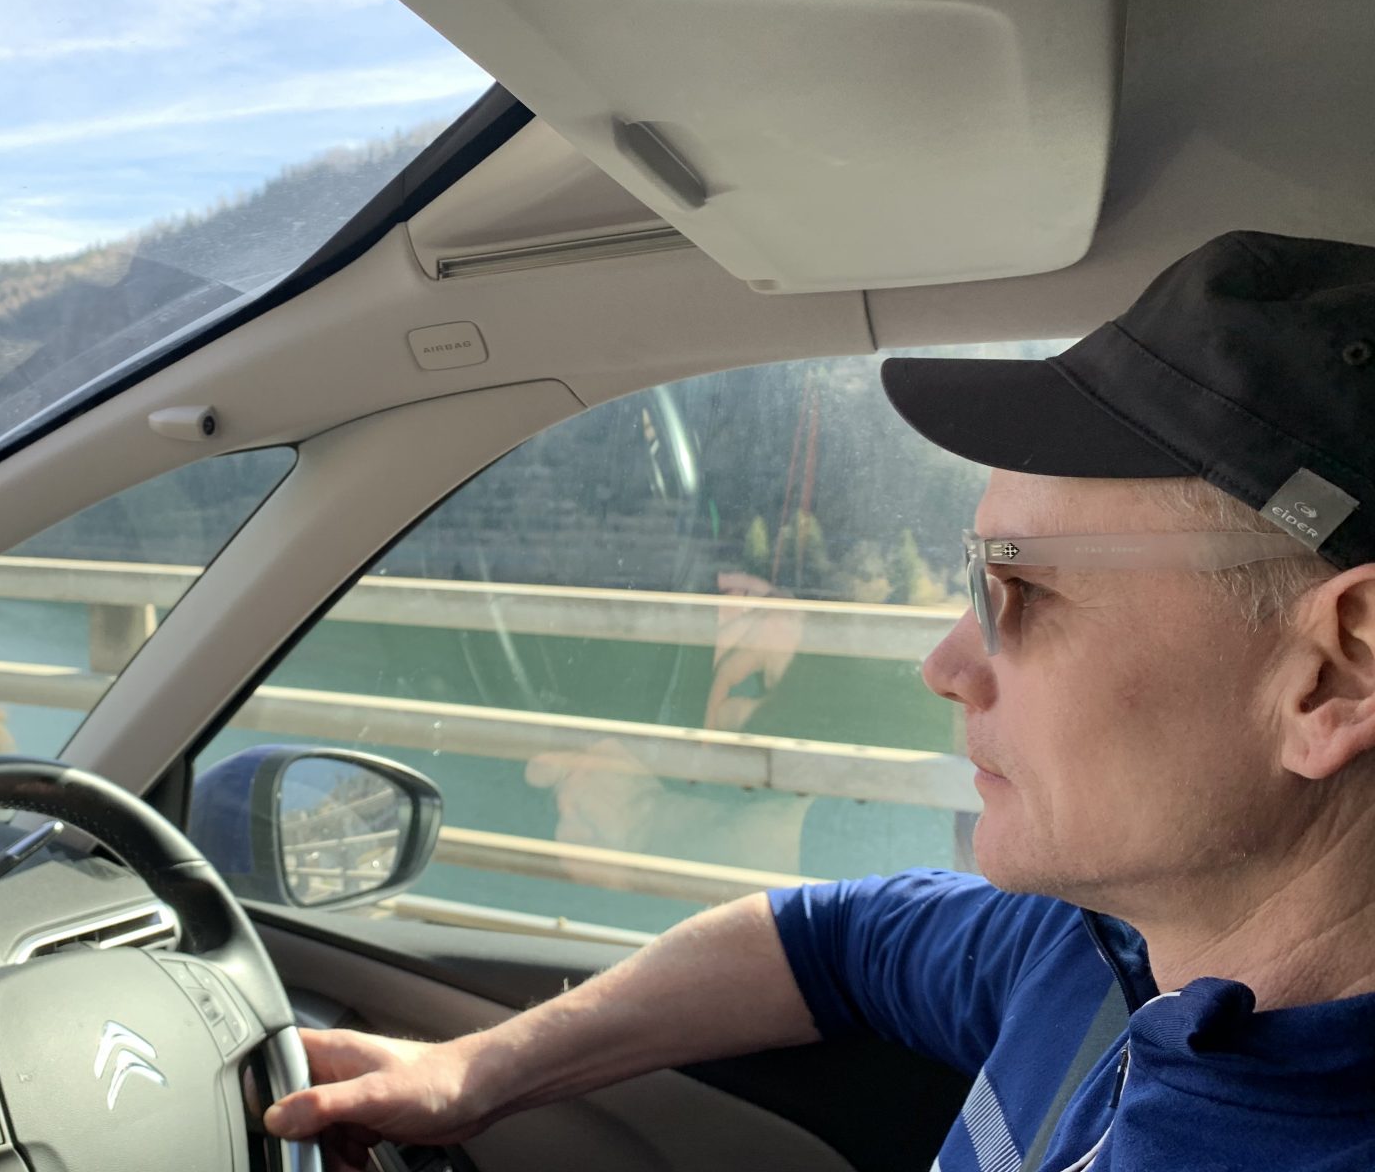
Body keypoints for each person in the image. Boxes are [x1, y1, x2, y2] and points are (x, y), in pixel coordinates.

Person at [263, 230, 1375, 1170]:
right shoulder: (1102, 954)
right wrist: (477, 1069)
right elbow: (823, 940)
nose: (944, 664)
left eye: (1018, 588)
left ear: (1334, 673)